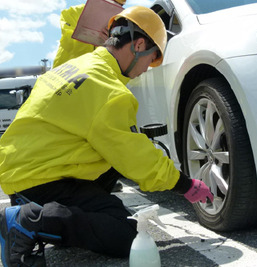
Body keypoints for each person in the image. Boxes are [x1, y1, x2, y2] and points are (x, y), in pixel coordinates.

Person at [0, 6, 213, 267]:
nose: (147, 68)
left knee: (108, 172)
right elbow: (135, 157)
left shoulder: (74, 66)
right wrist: (184, 184)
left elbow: (71, 22)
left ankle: (42, 213)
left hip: (23, 171)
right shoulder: (109, 92)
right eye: (151, 58)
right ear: (139, 44)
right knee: (126, 235)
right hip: (39, 178)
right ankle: (30, 220)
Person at [54, 0, 125, 192]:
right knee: (72, 142)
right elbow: (70, 42)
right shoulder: (77, 12)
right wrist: (93, 38)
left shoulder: (119, 20)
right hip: (70, 85)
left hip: (93, 90)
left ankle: (96, 188)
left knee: (99, 143)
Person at [52, 0, 126, 68]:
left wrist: (111, 43)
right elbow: (68, 36)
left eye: (119, 5)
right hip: (65, 68)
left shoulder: (119, 26)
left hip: (91, 73)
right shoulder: (76, 11)